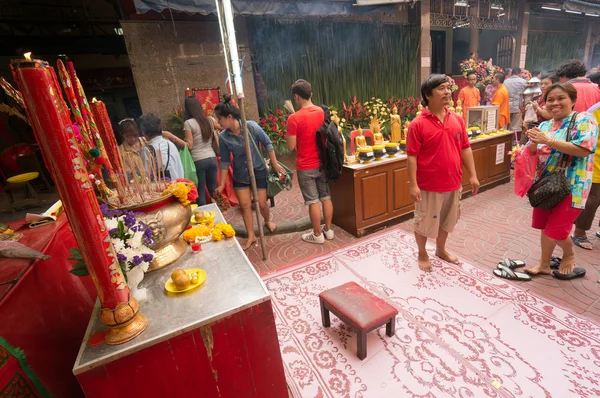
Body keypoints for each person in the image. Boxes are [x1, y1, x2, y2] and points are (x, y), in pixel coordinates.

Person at [523, 83, 598, 278]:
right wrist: (528, 147)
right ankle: (544, 264)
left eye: (560, 98)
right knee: (545, 227)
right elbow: (534, 152)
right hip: (545, 185)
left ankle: (569, 253)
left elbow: (583, 149)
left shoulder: (584, 120)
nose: (555, 103)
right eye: (550, 100)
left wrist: (548, 141)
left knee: (554, 230)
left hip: (572, 186)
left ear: (573, 100)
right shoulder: (546, 125)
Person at [407, 74, 480, 272]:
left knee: (448, 220)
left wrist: (472, 174)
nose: (448, 91)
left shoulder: (456, 119)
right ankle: (422, 252)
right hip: (428, 185)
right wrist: (413, 185)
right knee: (424, 221)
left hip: (454, 182)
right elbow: (412, 156)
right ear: (428, 95)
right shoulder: (417, 124)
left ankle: (441, 249)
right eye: (441, 88)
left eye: (448, 88)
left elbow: (465, 147)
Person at [214, 95, 284, 250]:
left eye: (220, 119)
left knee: (261, 202)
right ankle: (251, 235)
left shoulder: (250, 126)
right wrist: (222, 184)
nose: (218, 123)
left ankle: (266, 221)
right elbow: (225, 161)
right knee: (245, 205)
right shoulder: (223, 137)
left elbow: (267, 143)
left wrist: (275, 164)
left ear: (229, 117)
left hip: (258, 170)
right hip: (240, 175)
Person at [285, 79, 333, 244]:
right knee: (326, 197)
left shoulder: (293, 118)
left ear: (296, 97)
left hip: (305, 165)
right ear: (311, 94)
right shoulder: (321, 111)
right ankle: (328, 230)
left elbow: (290, 146)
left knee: (313, 201)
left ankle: (317, 234)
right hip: (322, 162)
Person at [571, 101, 600, 250]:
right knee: (591, 200)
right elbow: (586, 139)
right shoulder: (596, 111)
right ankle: (580, 232)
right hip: (595, 163)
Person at [180, 97, 218, 206]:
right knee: (213, 189)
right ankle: (220, 210)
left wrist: (174, 139)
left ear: (187, 109)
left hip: (199, 160)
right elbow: (221, 127)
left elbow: (189, 145)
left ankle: (204, 218)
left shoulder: (188, 123)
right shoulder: (209, 119)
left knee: (200, 190)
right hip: (212, 158)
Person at [139, 113, 184, 180]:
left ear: (143, 132)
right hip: (180, 186)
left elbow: (147, 175)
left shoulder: (146, 150)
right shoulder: (170, 143)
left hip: (166, 188)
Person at [504, 67, 527, 131]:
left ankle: (506, 140)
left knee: (505, 126)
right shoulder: (523, 82)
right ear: (520, 74)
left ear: (511, 73)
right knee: (515, 127)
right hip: (518, 106)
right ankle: (513, 140)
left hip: (506, 106)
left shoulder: (505, 82)